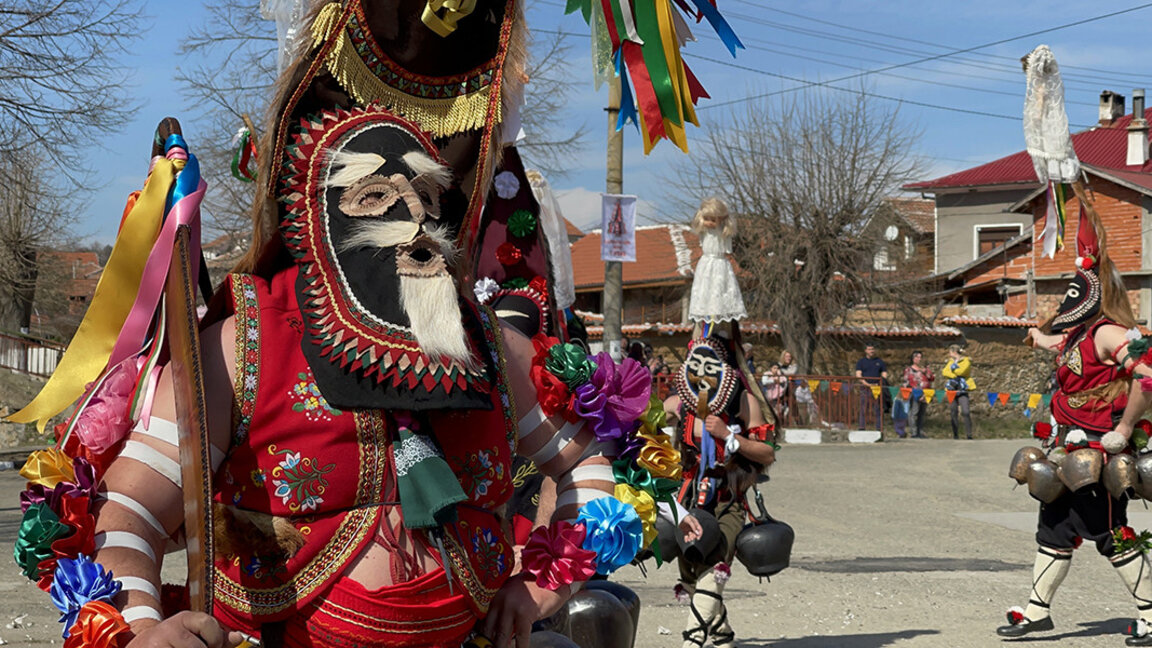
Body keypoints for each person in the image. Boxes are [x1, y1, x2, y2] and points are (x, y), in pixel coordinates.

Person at [8, 3, 691, 647]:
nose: (410, 222)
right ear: (319, 216)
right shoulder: (243, 343)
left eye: (424, 199)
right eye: (375, 198)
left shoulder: (489, 344)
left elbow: (586, 468)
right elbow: (133, 510)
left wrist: (542, 580)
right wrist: (144, 624)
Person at [997, 203, 1152, 645]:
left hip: (1098, 455)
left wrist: (1124, 431)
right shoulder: (1077, 336)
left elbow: (1147, 375)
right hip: (1066, 450)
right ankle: (1035, 612)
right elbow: (1060, 350)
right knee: (1054, 529)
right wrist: (1037, 336)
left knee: (1107, 532)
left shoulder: (1106, 332)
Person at [663, 330, 776, 648]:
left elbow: (767, 453)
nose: (701, 371)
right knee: (691, 573)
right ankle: (723, 638)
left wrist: (729, 436)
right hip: (687, 496)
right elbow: (648, 417)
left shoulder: (744, 399)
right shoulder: (680, 402)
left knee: (715, 567)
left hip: (727, 495)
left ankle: (692, 641)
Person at [687, 198, 746, 324]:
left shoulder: (723, 232)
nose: (709, 223)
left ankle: (719, 311)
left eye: (713, 220)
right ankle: (705, 312)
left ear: (720, 219)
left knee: (719, 287)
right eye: (706, 219)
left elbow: (727, 248)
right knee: (705, 287)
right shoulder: (704, 231)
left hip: (719, 263)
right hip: (706, 263)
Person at [942, 344, 975, 440]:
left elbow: (962, 372)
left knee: (965, 411)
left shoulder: (966, 361)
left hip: (962, 389)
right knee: (953, 411)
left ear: (954, 352)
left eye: (950, 352)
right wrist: (954, 374)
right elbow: (945, 372)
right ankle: (955, 434)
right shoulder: (950, 362)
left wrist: (953, 371)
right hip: (952, 389)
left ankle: (969, 434)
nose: (949, 354)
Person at [854, 345, 888, 430]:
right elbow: (858, 375)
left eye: (872, 349)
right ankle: (862, 427)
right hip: (864, 388)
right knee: (863, 408)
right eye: (869, 349)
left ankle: (879, 427)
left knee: (878, 408)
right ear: (865, 350)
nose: (871, 351)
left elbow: (884, 374)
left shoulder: (880, 362)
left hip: (877, 388)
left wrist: (879, 383)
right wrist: (867, 384)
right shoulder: (861, 362)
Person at [903, 351, 935, 439]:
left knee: (922, 413)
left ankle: (920, 431)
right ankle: (913, 432)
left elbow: (931, 378)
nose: (919, 359)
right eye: (917, 357)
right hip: (914, 393)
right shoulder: (909, 369)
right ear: (913, 359)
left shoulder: (926, 369)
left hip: (925, 393)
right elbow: (905, 382)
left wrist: (926, 372)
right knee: (914, 412)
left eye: (921, 357)